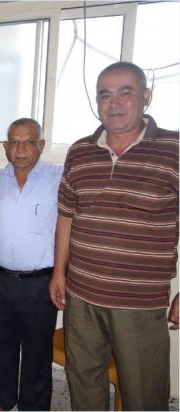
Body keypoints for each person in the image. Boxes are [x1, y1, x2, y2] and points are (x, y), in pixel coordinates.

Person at [49, 61, 179, 410]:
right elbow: (66, 216)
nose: (114, 103)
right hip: (81, 295)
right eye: (105, 95)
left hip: (139, 301)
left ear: (146, 96)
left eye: (125, 92)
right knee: (83, 379)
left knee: (144, 392)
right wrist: (59, 272)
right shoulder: (80, 151)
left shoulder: (174, 149)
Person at [0, 118, 62, 411]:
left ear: (41, 144)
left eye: (28, 141)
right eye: (14, 142)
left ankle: (34, 406)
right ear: (5, 146)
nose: (20, 149)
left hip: (40, 283)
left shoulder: (58, 178)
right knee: (1, 346)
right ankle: (3, 399)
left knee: (37, 352)